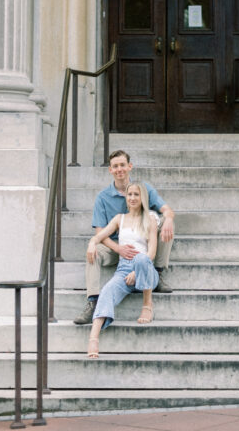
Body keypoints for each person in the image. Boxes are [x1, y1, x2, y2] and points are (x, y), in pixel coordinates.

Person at [73, 148, 175, 325]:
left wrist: (169, 219)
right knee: (94, 250)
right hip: (114, 246)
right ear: (110, 170)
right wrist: (118, 248)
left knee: (166, 223)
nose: (119, 169)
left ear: (130, 166)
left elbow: (167, 210)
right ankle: (93, 301)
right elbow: (99, 234)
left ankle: (156, 272)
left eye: (122, 165)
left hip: (142, 245)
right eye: (115, 166)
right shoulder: (103, 198)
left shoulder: (142, 190)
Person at [86, 182, 159, 357]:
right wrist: (91, 243)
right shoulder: (120, 218)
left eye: (136, 195)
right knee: (106, 291)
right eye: (130, 194)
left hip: (145, 268)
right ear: (126, 198)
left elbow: (152, 252)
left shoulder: (150, 218)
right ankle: (93, 339)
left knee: (141, 258)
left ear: (142, 198)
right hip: (123, 270)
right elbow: (100, 236)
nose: (132, 198)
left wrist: (137, 272)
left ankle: (147, 305)